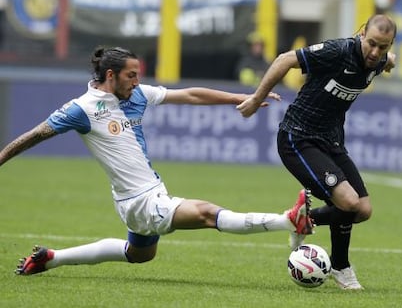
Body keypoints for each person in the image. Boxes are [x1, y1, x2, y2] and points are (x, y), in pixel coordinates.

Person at [0, 46, 313, 276]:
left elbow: (189, 95)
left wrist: (243, 98)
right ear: (111, 75)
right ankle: (287, 220)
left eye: (138, 74)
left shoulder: (135, 95)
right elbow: (36, 134)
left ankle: (51, 258)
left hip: (145, 194)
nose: (137, 81)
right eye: (131, 75)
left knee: (138, 255)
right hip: (140, 201)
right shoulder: (81, 109)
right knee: (207, 213)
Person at [236, 14, 397, 290]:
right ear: (361, 34)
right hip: (298, 137)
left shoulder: (380, 59)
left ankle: (303, 219)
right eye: (371, 43)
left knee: (363, 210)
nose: (375, 52)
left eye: (382, 47)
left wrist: (389, 61)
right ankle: (341, 266)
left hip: (331, 141)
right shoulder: (338, 52)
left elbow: (388, 60)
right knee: (348, 202)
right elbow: (285, 60)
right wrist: (256, 98)